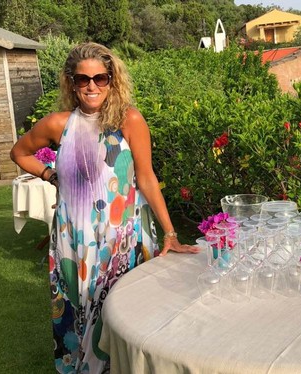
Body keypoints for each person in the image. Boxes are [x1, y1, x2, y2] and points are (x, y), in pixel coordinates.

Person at [10, 42, 199, 373]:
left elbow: (147, 178)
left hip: (123, 242)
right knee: (81, 318)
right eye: (83, 79)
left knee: (130, 319)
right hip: (75, 243)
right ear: (71, 82)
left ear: (113, 80)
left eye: (101, 77)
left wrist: (170, 233)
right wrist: (51, 174)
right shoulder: (58, 124)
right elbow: (19, 153)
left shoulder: (129, 120)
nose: (92, 86)